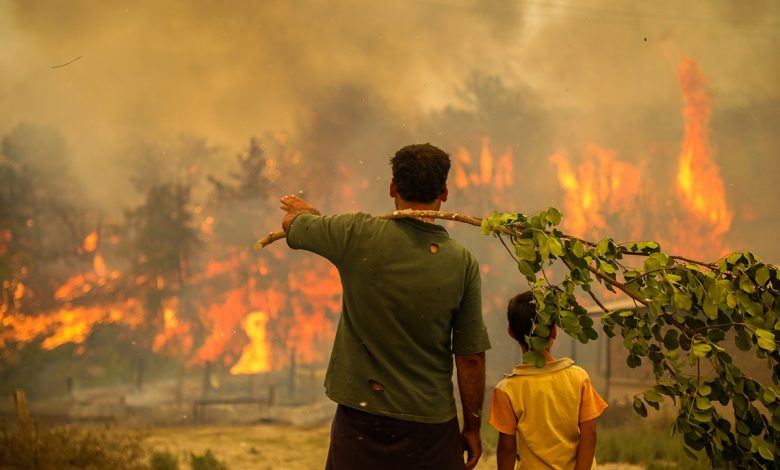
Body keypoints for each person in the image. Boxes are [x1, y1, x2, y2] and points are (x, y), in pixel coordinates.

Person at [279, 143, 491, 470]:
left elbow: (292, 224)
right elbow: (471, 358)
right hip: (430, 429)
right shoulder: (462, 263)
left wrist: (306, 215)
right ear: (445, 193)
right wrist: (473, 427)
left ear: (392, 188)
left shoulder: (355, 235)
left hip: (361, 424)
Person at [488, 291, 608, 470]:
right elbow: (589, 435)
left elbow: (507, 448)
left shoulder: (507, 390)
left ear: (511, 333)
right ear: (554, 331)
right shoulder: (578, 377)